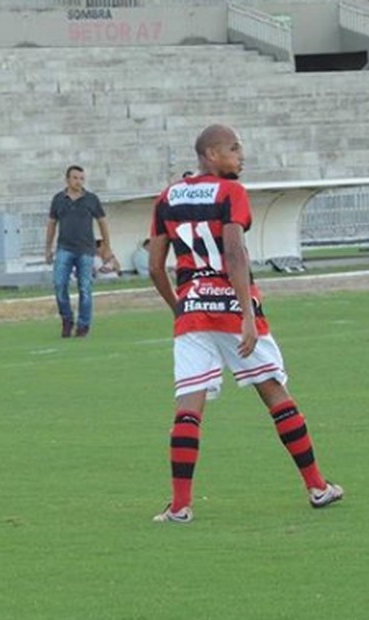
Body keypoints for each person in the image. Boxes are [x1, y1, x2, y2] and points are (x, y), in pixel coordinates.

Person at [147, 124, 343, 524]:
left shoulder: (166, 197)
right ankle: (317, 487)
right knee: (275, 393)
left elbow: (155, 266)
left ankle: (180, 506)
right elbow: (234, 251)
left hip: (192, 311)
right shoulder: (231, 192)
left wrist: (178, 306)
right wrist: (248, 315)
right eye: (234, 149)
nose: (241, 156)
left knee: (189, 406)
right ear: (210, 155)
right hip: (232, 309)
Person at [45, 165, 114, 338]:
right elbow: (52, 223)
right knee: (59, 284)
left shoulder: (91, 199)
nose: (79, 182)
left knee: (85, 287)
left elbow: (102, 221)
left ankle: (83, 325)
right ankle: (67, 319)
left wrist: (106, 245)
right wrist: (48, 248)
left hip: (85, 249)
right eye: (75, 178)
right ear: (67, 179)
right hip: (64, 248)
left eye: (82, 178)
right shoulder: (58, 199)